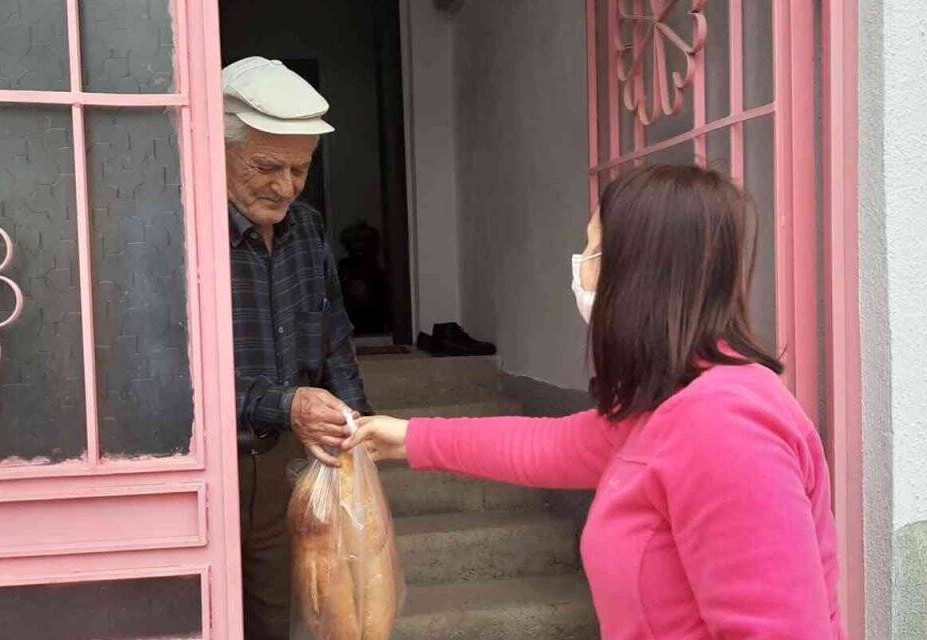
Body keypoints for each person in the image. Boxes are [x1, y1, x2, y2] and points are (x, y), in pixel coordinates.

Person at [348, 164, 845, 639]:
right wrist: (408, 438)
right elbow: (551, 444)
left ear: (640, 277)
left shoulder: (724, 426)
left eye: (593, 252)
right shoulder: (671, 401)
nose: (580, 273)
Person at [222, 56, 371, 640]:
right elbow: (166, 376)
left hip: (285, 465)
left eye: (300, 168)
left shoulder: (305, 227)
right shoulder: (180, 229)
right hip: (210, 468)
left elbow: (331, 332)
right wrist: (284, 405)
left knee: (280, 620)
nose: (285, 186)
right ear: (218, 145)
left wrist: (359, 423)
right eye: (267, 166)